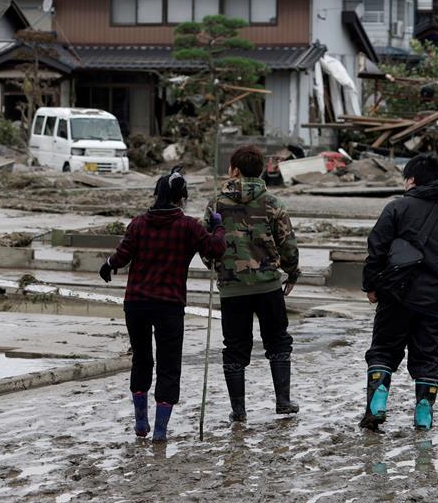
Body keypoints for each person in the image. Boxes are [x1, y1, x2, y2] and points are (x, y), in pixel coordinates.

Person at [99, 166, 226, 442]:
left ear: (157, 195)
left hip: (136, 305)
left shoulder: (138, 224)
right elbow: (215, 250)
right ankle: (160, 431)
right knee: (169, 366)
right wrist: (218, 227)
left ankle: (141, 423)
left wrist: (107, 266)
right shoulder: (189, 227)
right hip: (169, 306)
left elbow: (120, 257)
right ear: (182, 197)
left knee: (141, 360)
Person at [360, 153, 438, 431]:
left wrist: (371, 285)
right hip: (434, 301)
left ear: (411, 179)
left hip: (395, 297)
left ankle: (378, 403)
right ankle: (423, 413)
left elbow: (376, 248)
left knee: (384, 351)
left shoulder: (396, 208)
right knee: (427, 358)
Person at [205, 144, 301, 423]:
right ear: (260, 170)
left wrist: (216, 266)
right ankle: (283, 401)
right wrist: (292, 272)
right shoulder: (273, 203)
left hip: (232, 288)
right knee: (278, 342)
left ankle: (239, 410)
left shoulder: (216, 204)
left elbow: (206, 242)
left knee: (234, 346)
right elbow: (288, 244)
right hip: (268, 285)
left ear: (233, 169)